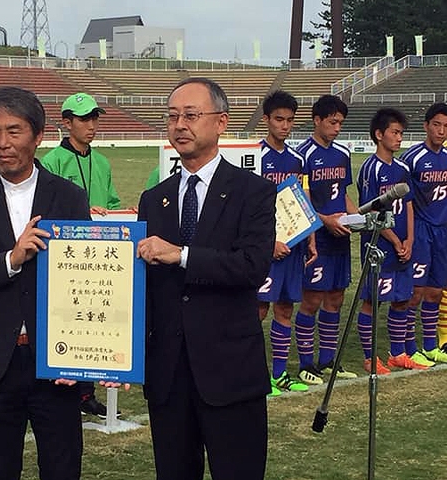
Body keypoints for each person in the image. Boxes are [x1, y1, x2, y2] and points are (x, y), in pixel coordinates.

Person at [0, 86, 91, 480]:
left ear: (38, 136)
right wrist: (12, 258)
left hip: (55, 362)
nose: (2, 144)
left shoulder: (70, 197)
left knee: (62, 467)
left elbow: (87, 278)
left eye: (14, 131)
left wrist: (86, 356)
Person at [137, 77, 276, 480]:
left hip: (230, 371)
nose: (180, 124)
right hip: (168, 375)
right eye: (173, 116)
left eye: (191, 115)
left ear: (221, 123)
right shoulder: (154, 198)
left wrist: (180, 255)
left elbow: (252, 266)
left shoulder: (253, 192)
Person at [40, 92, 120, 417]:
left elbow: (112, 204)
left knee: (95, 322)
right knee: (67, 320)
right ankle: (66, 387)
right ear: (66, 122)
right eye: (84, 119)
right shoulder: (51, 162)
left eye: (94, 118)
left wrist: (118, 213)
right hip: (66, 256)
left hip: (100, 257)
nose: (91, 125)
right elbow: (44, 207)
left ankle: (87, 393)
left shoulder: (102, 162)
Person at [356, 108, 431, 374]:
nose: (399, 138)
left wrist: (409, 239)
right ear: (379, 135)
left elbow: (408, 205)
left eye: (401, 133)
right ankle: (369, 357)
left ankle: (397, 353)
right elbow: (372, 209)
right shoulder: (370, 168)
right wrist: (396, 240)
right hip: (379, 245)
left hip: (402, 244)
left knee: (402, 298)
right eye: (395, 133)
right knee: (372, 300)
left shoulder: (401, 168)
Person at [294, 94, 358, 385]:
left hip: (340, 237)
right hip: (316, 239)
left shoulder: (343, 154)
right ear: (317, 120)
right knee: (312, 300)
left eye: (340, 123)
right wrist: (325, 220)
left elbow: (342, 193)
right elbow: (298, 201)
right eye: (332, 122)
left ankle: (328, 360)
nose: (336, 128)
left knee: (335, 298)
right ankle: (306, 363)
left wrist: (357, 217)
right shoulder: (302, 156)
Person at [257, 90, 316, 396]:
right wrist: (268, 242)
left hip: (293, 247)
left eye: (290, 120)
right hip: (265, 247)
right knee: (258, 310)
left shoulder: (297, 160)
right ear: (266, 119)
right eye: (278, 119)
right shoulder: (256, 157)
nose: (284, 126)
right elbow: (248, 207)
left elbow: (302, 202)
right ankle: (253, 374)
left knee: (285, 309)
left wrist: (311, 239)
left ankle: (278, 374)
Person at [401, 102, 447, 364]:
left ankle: (431, 345)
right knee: (415, 292)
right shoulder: (413, 158)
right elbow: (404, 200)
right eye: (436, 125)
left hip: (442, 231)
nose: (441, 131)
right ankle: (409, 346)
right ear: (426, 126)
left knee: (435, 291)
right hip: (420, 230)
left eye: (445, 126)